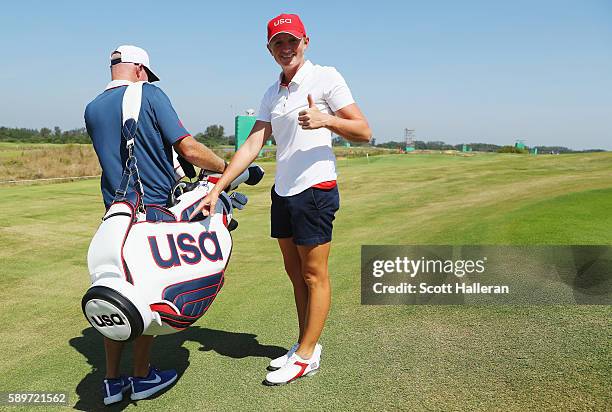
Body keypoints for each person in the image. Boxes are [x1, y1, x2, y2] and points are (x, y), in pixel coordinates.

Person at [190, 14, 371, 385]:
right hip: (284, 191)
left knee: (313, 273)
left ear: (306, 41)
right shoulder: (273, 92)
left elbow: (364, 131)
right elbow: (255, 142)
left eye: (292, 41)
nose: (286, 48)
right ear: (269, 49)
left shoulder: (326, 78)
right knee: (294, 274)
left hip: (316, 189)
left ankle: (306, 355)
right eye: (278, 43)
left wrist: (326, 120)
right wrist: (217, 188)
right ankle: (306, 344)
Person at [84, 45, 227, 405]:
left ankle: (112, 382)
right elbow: (190, 148)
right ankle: (143, 376)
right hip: (152, 210)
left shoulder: (92, 108)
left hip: (115, 214)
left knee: (117, 288)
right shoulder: (150, 93)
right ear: (140, 70)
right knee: (147, 291)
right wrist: (226, 168)